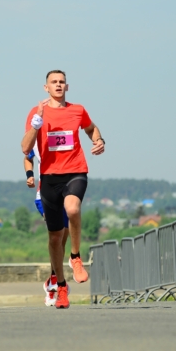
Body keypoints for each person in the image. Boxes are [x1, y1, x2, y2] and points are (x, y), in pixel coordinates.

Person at [21, 70, 105, 309]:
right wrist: (36, 125)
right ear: (45, 88)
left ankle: (76, 257)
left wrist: (99, 141)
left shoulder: (77, 110)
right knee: (55, 237)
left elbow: (91, 128)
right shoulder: (36, 113)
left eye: (61, 82)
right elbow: (25, 148)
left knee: (73, 207)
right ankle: (61, 288)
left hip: (75, 171)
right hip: (48, 178)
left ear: (67, 87)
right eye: (53, 82)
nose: (58, 85)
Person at [25, 149, 69, 306]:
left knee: (62, 240)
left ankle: (52, 279)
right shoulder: (38, 141)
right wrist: (30, 175)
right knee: (55, 234)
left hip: (65, 196)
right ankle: (54, 283)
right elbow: (27, 157)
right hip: (44, 197)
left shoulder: (66, 137)